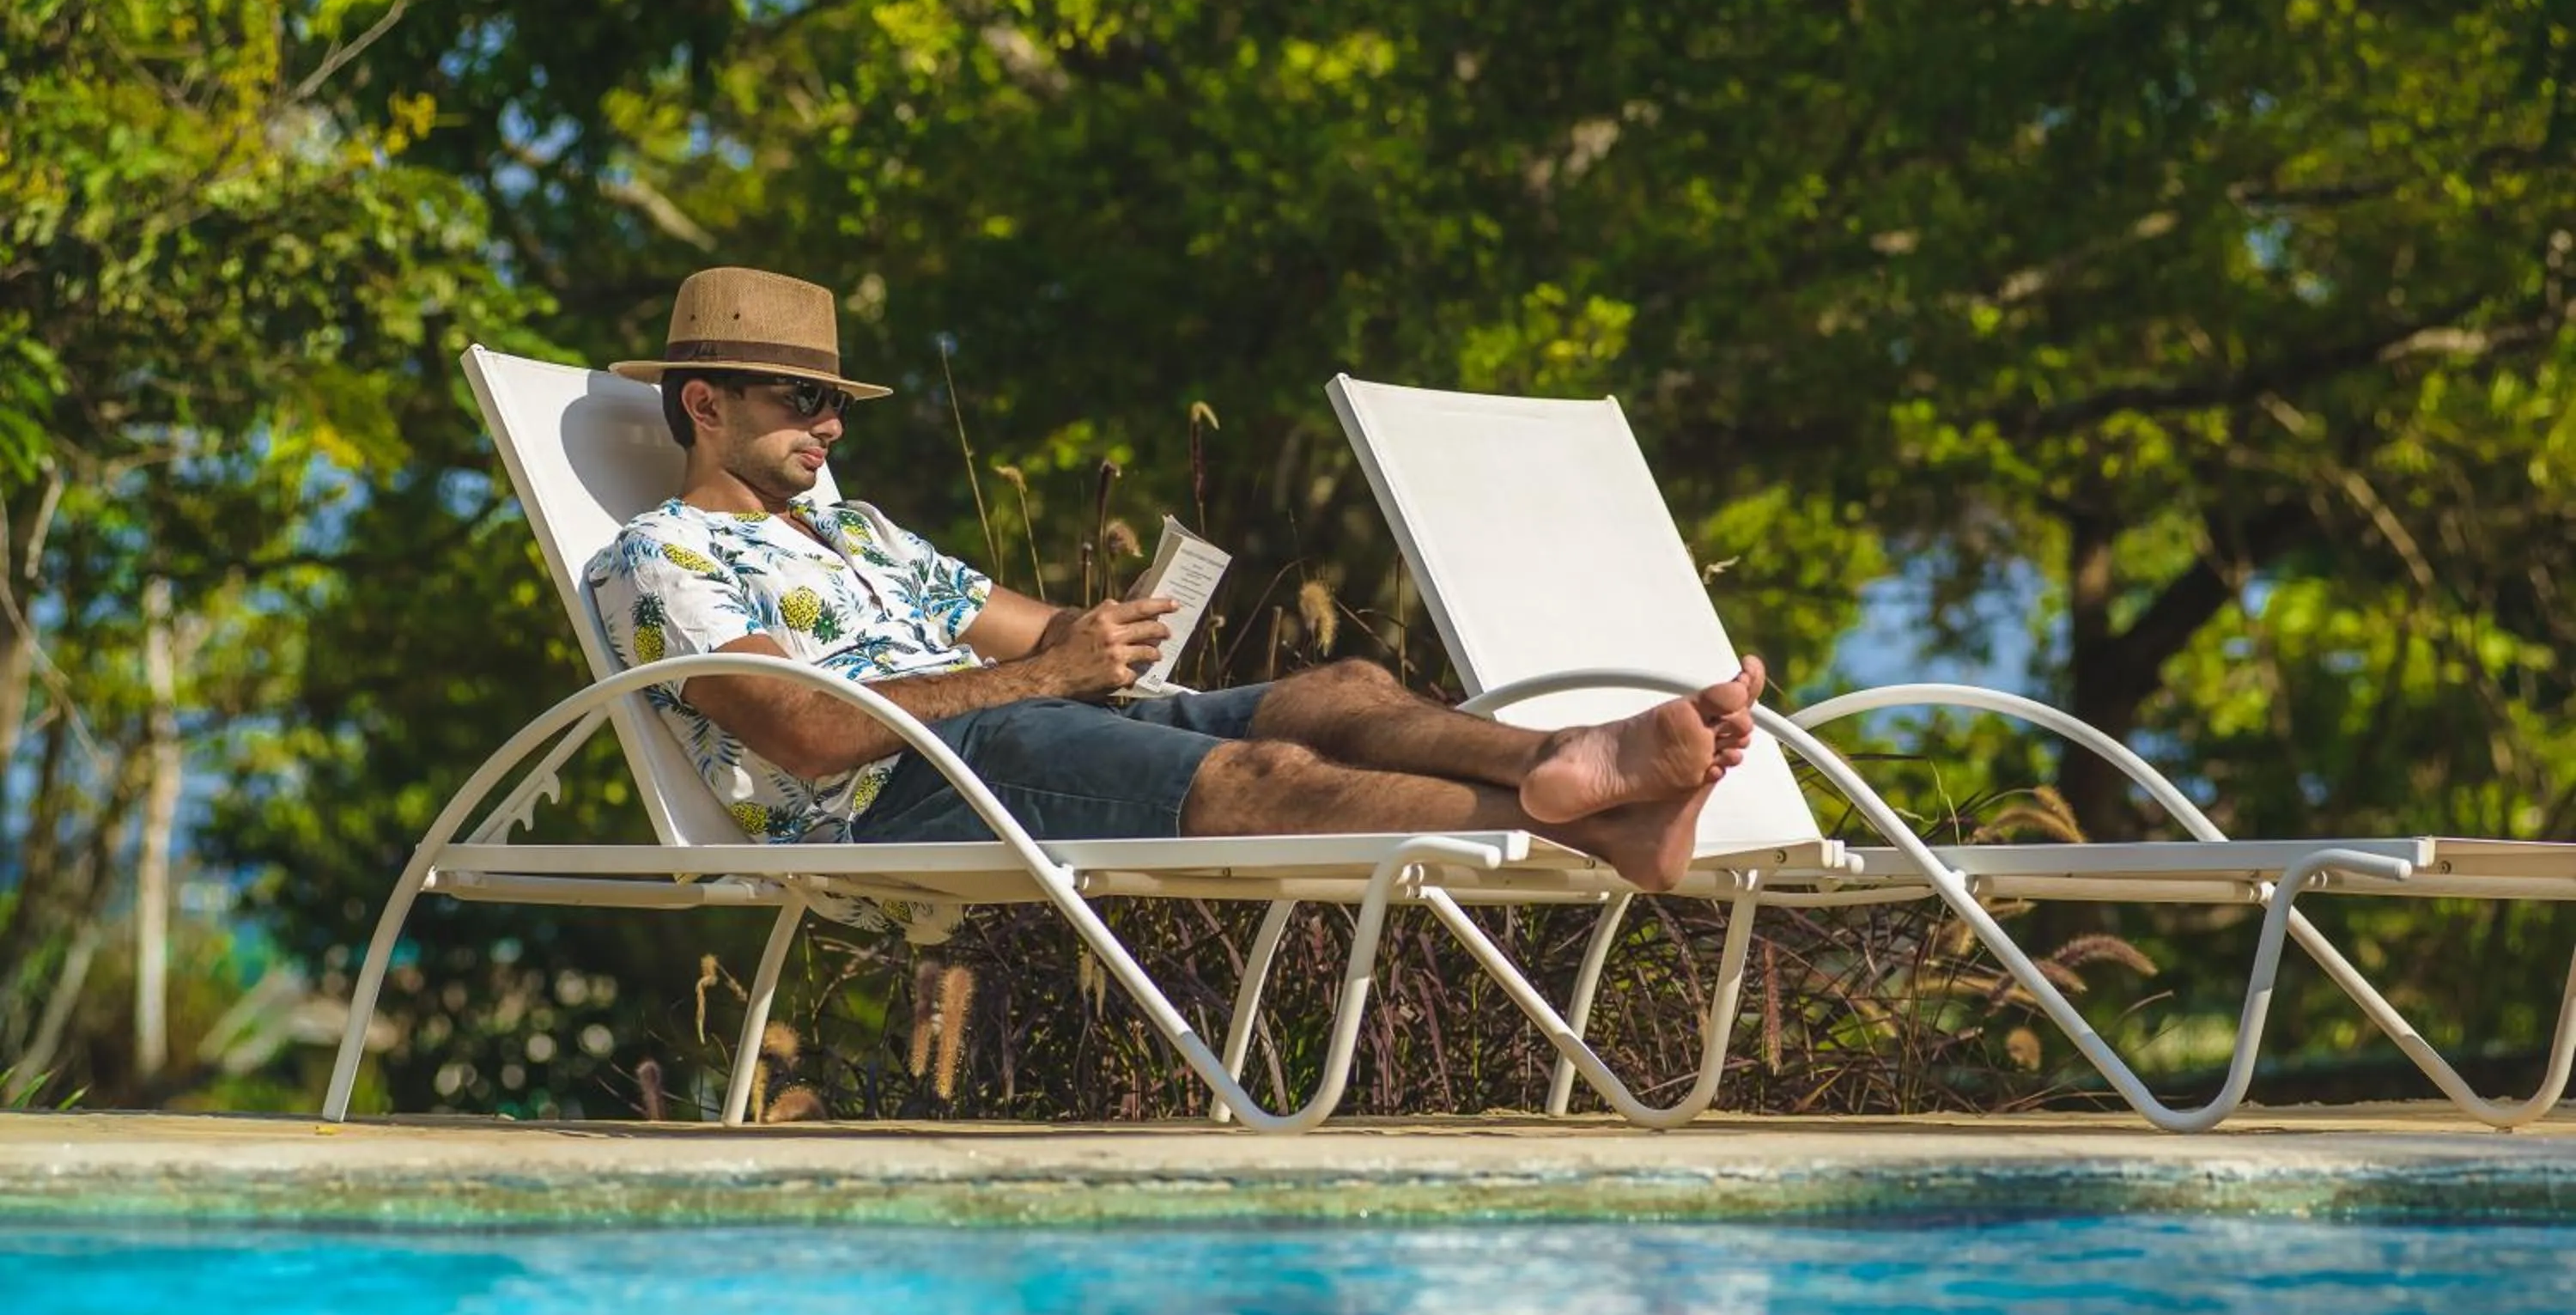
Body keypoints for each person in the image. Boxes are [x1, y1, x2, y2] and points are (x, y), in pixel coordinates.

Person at [591, 266, 1766, 892]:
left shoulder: (859, 531)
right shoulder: (663, 557)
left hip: (1025, 724)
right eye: (805, 400)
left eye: (839, 400)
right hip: (915, 790)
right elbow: (806, 732)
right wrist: (1046, 674)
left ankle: (1561, 762)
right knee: (1263, 775)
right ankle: (1596, 833)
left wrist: (1109, 628)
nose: (832, 425)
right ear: (706, 403)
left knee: (1339, 688)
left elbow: (1033, 627)